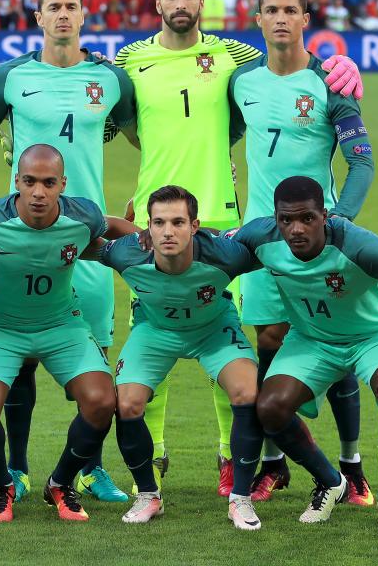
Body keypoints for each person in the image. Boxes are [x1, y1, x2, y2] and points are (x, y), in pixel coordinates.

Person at [112, 0, 364, 496]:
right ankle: (152, 461)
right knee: (150, 338)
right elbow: (128, 125)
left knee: (231, 346)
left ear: (204, 2)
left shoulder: (236, 59)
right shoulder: (128, 61)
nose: (181, 3)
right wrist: (153, 179)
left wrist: (341, 62)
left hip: (229, 221)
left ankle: (235, 460)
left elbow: (292, 66)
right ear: (156, 2)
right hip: (155, 225)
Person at [0, 0, 139, 503]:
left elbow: (145, 137)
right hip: (26, 234)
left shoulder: (109, 81)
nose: (62, 15)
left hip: (87, 235)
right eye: (53, 7)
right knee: (20, 359)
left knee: (97, 357)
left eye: (71, 7)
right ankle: (15, 467)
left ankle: (91, 467)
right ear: (37, 16)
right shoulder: (11, 77)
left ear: (85, 15)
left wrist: (144, 199)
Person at [228, 0, 377, 503]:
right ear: (259, 18)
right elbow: (218, 138)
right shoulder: (241, 81)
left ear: (305, 17)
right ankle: (273, 462)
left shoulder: (329, 83)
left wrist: (339, 220)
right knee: (269, 339)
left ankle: (352, 463)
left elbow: (362, 161)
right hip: (266, 242)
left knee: (334, 346)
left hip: (318, 241)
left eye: (291, 10)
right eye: (272, 10)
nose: (281, 19)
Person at [232, 176, 378, 533]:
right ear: (275, 218)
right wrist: (143, 236)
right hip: (312, 339)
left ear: (325, 216)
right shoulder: (261, 236)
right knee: (270, 407)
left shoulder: (359, 246)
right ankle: (332, 483)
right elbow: (211, 246)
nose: (296, 229)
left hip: (372, 336)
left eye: (307, 219)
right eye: (286, 220)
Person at [0, 145, 138, 523]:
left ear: (62, 185)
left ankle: (60, 483)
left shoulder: (82, 214)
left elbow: (111, 225)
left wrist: (146, 238)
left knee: (102, 400)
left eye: (48, 183)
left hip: (62, 324)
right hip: (1, 327)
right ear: (17, 182)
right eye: (30, 182)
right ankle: (1, 485)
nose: (39, 192)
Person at [92, 186, 263, 530]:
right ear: (147, 228)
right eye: (159, 222)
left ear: (195, 225)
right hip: (155, 332)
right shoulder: (127, 253)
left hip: (213, 329)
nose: (168, 232)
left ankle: (240, 499)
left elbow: (271, 246)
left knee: (249, 393)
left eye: (178, 222)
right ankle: (148, 494)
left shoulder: (226, 255)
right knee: (126, 403)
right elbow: (81, 239)